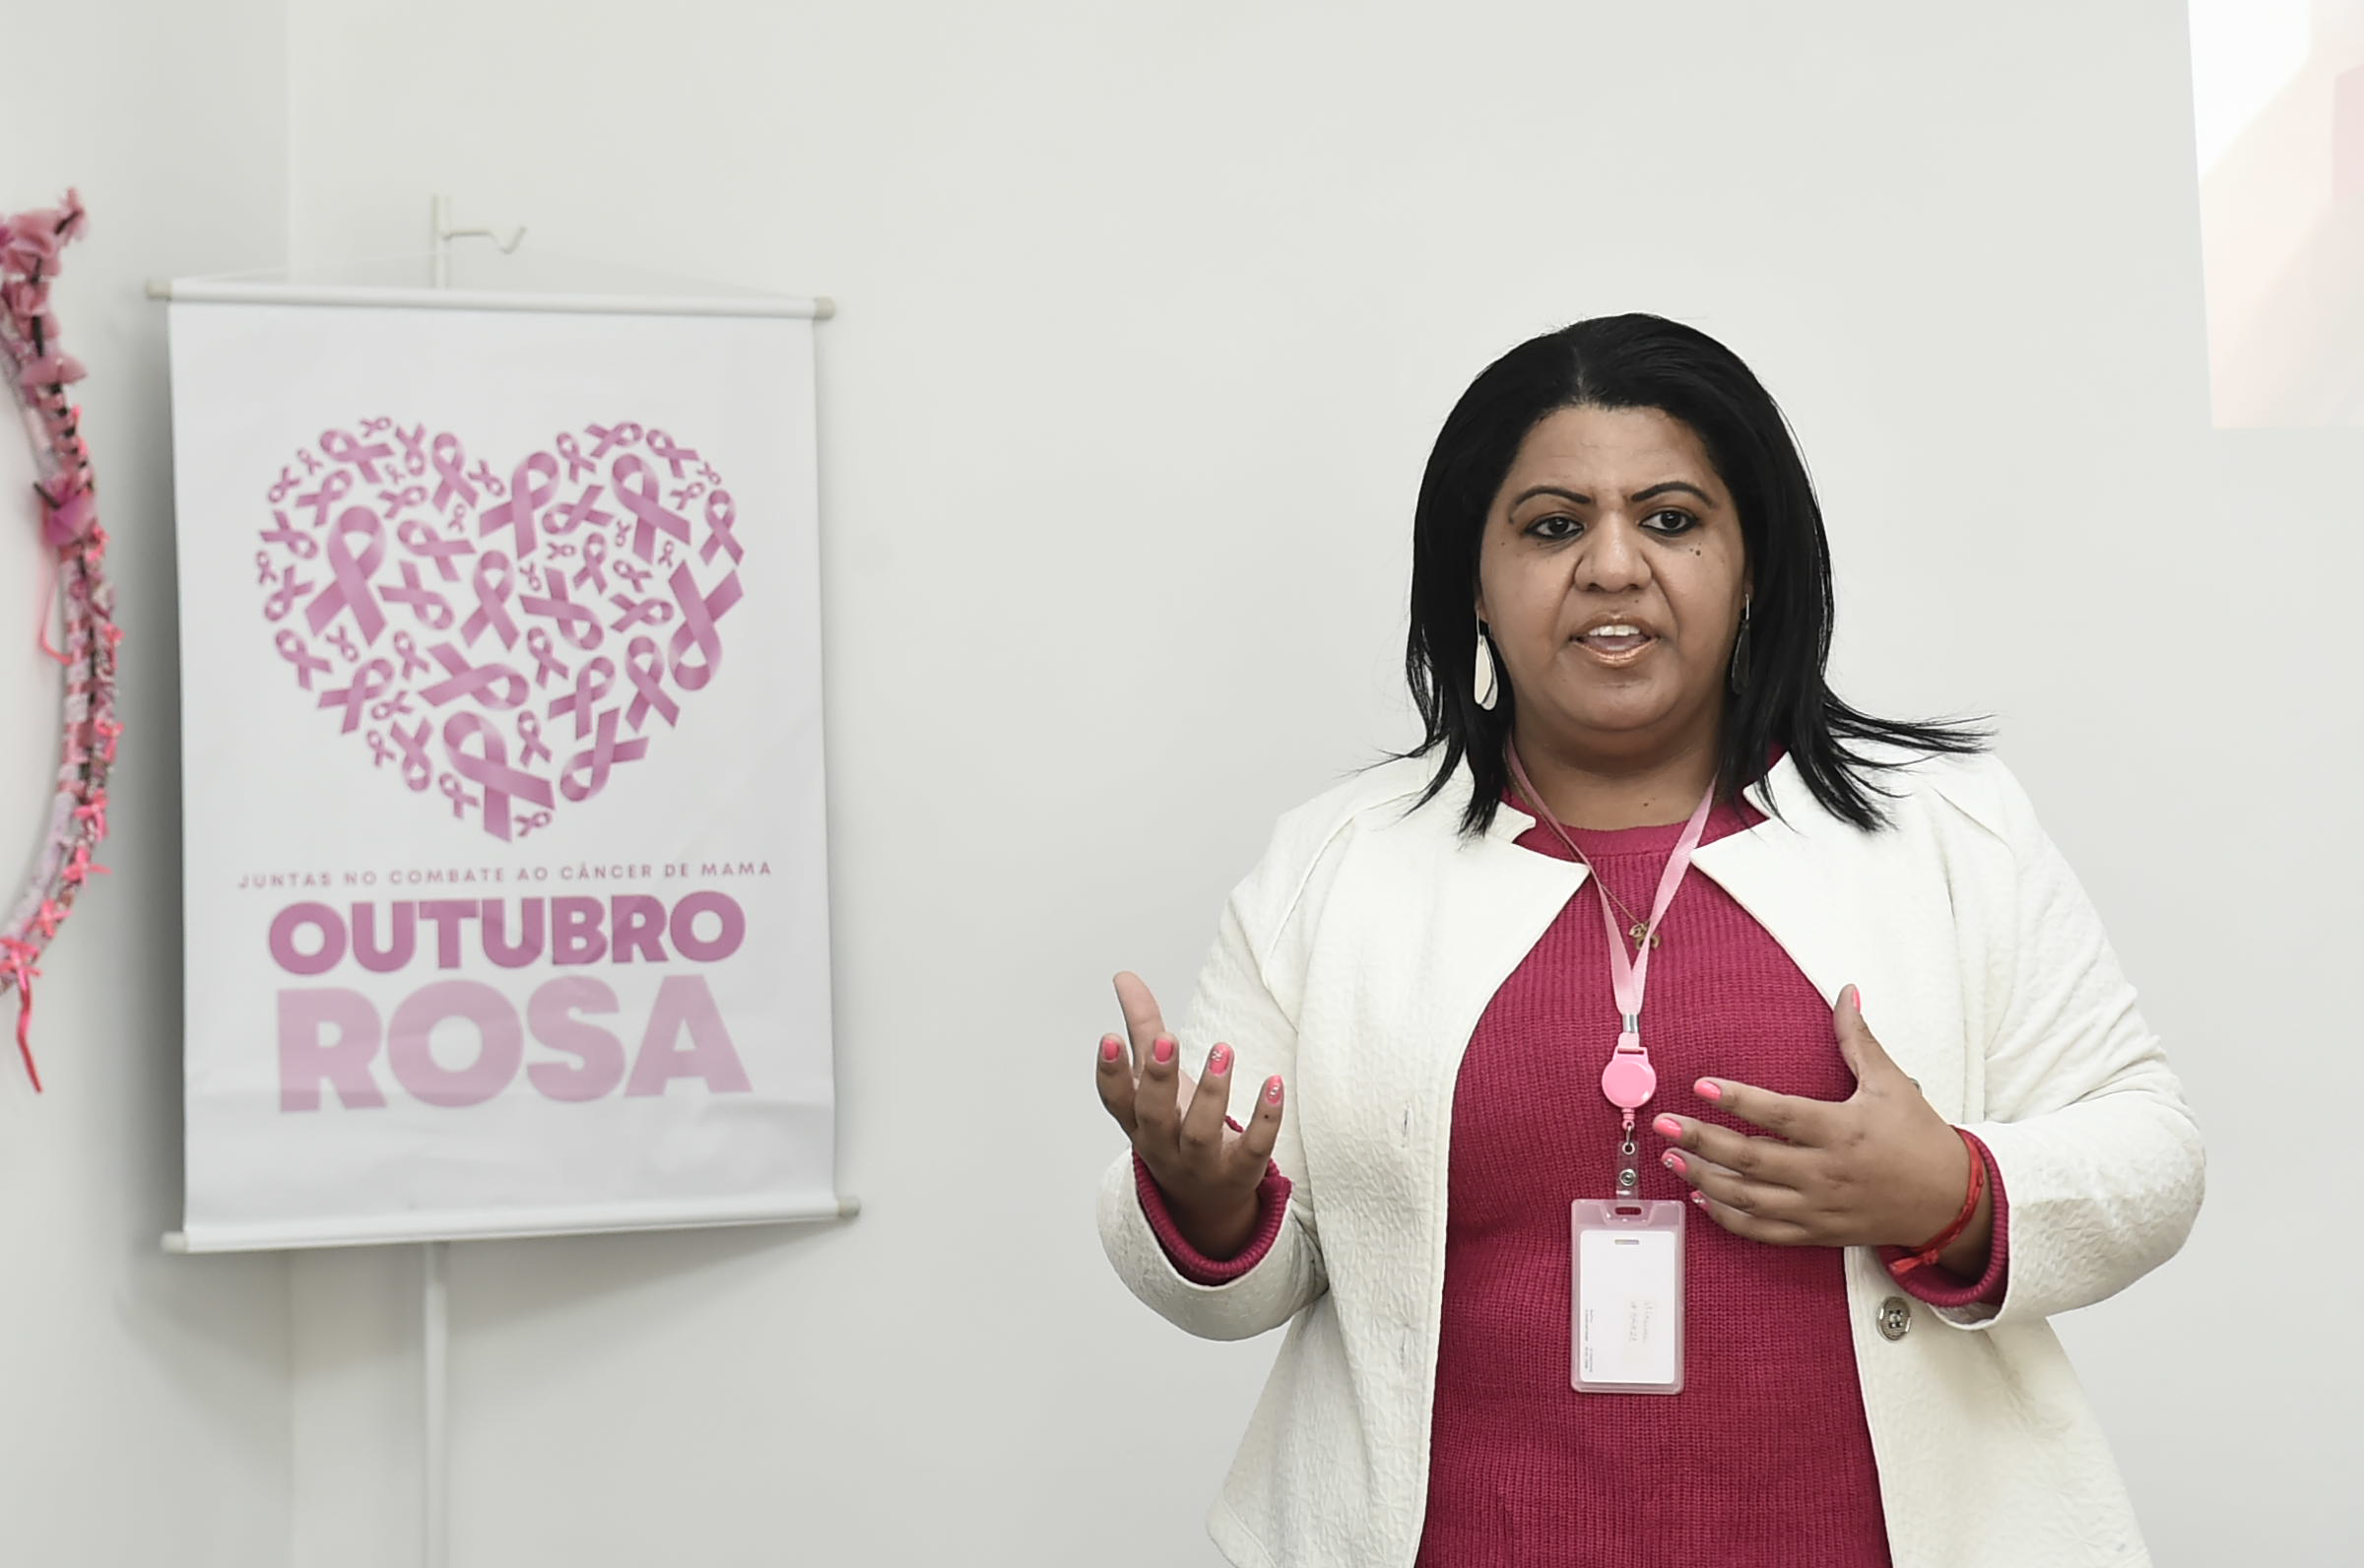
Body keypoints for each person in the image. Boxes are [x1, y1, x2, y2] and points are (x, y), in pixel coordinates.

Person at [1090, 314, 2204, 1568]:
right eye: (1552, 526)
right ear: (1472, 578)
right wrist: (1206, 1202)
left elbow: (2153, 1154)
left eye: (1671, 519)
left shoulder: (1946, 829)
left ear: (1754, 561)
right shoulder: (1335, 862)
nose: (1613, 565)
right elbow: (1247, 1279)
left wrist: (1952, 1190)